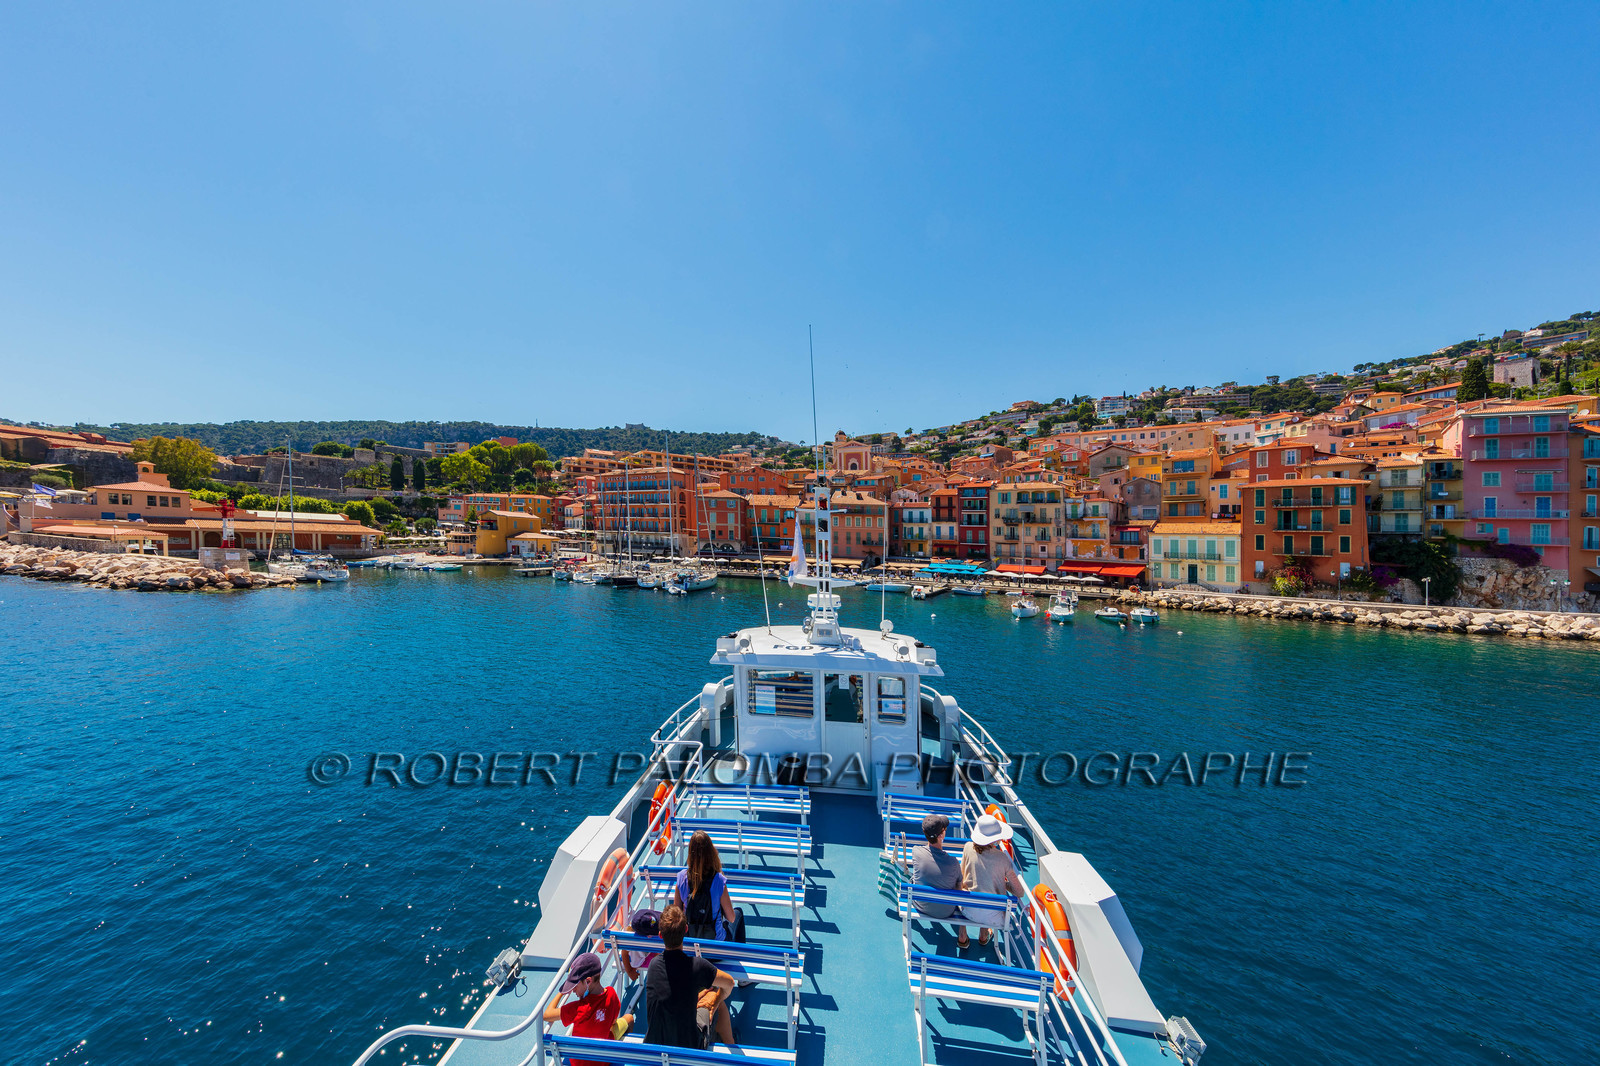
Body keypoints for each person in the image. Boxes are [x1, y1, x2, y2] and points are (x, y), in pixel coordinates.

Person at [644, 904, 736, 1048]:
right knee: (714, 996)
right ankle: (730, 1043)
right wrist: (716, 1002)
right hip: (690, 1048)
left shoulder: (653, 966)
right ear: (686, 930)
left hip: (655, 1048)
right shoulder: (697, 966)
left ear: (660, 935)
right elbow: (729, 983)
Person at [542, 951, 632, 1066]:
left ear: (588, 981)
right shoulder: (612, 994)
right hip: (604, 1061)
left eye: (575, 985)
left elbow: (546, 1015)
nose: (573, 990)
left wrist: (562, 992)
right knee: (629, 1018)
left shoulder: (577, 1008)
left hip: (579, 1062)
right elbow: (613, 1023)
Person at [961, 812, 1027, 948]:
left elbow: (962, 877)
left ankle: (962, 934)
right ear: (994, 839)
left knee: (970, 889)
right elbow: (1019, 892)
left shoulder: (967, 847)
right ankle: (983, 935)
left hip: (967, 910)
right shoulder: (1003, 859)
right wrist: (1004, 884)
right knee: (989, 894)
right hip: (992, 917)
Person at [905, 813, 970, 946]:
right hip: (945, 912)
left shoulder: (916, 852)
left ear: (924, 832)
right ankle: (962, 931)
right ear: (941, 835)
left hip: (921, 905)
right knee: (960, 888)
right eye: (944, 829)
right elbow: (959, 885)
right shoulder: (953, 862)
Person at [674, 830, 746, 945]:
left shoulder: (681, 878)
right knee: (738, 913)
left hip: (691, 944)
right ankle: (740, 953)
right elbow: (731, 918)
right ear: (710, 852)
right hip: (716, 947)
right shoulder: (719, 880)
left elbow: (676, 915)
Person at [620, 908, 661, 982]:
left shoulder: (628, 938)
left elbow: (624, 953)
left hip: (644, 953)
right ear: (648, 936)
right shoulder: (631, 942)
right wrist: (630, 971)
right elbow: (625, 954)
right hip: (641, 960)